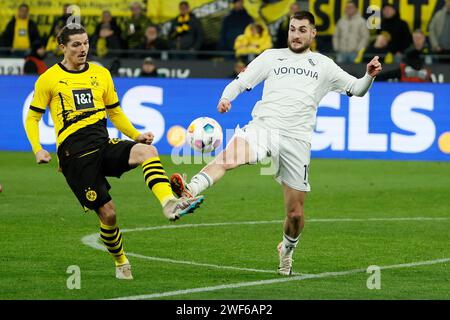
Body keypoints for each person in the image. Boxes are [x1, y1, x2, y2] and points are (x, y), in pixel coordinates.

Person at [170, 11, 382, 276]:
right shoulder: (271, 56)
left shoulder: (324, 65)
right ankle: (189, 190)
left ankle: (287, 250)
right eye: (293, 29)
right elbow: (242, 81)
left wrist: (369, 75)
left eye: (302, 30)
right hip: (264, 127)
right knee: (228, 158)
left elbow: (357, 89)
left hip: (297, 139)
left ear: (313, 33)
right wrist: (226, 98)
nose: (296, 34)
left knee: (295, 214)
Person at [24, 24, 203, 280]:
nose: (83, 49)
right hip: (74, 155)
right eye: (76, 44)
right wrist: (38, 149)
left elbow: (115, 112)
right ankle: (121, 261)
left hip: (102, 142)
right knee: (109, 214)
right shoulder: (49, 79)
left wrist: (135, 135)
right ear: (62, 47)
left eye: (85, 43)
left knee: (147, 151)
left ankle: (168, 203)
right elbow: (32, 118)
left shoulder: (101, 74)